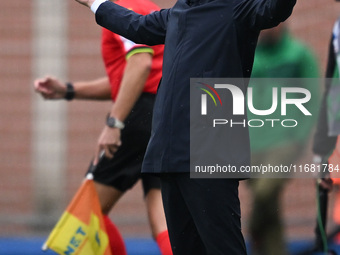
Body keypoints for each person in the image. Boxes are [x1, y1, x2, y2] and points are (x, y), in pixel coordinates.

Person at [73, 0, 297, 254]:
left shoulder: (238, 8)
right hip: (169, 154)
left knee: (223, 248)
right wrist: (94, 3)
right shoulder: (179, 12)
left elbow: (275, 8)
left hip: (212, 153)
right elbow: (136, 26)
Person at [34, 0, 172, 254]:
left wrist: (115, 122)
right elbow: (127, 80)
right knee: (163, 220)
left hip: (139, 117)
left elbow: (139, 65)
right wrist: (68, 90)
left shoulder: (122, 11)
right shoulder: (148, 7)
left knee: (88, 213)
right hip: (163, 116)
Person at [247, 22, 320, 255]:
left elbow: (314, 97)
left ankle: (250, 231)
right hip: (252, 143)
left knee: (264, 192)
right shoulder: (250, 55)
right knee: (271, 209)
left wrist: (298, 137)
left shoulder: (298, 54)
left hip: (283, 143)